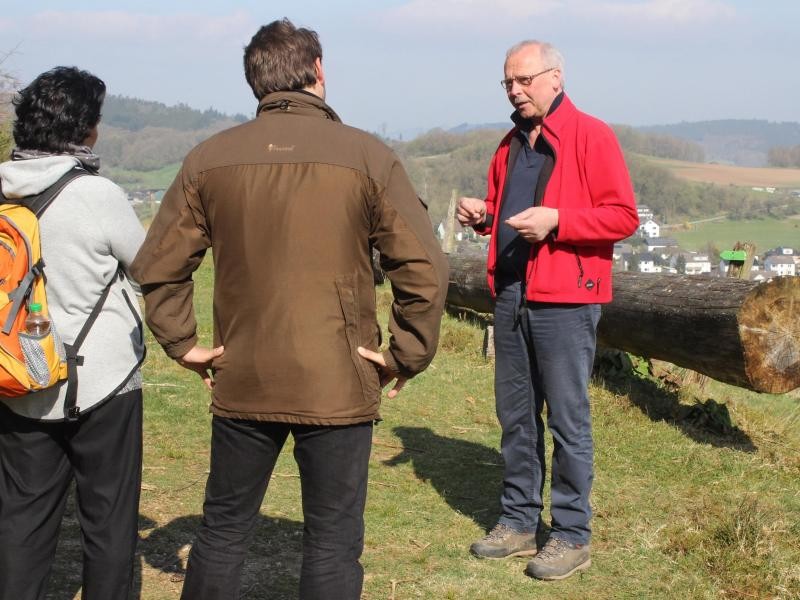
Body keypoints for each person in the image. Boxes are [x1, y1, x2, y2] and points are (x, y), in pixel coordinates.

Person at [130, 18, 448, 600]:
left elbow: (158, 264)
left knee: (223, 531)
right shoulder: (368, 155)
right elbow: (424, 266)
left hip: (243, 371)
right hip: (340, 377)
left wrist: (182, 342)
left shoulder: (208, 159)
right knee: (331, 541)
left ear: (256, 81)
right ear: (319, 72)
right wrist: (406, 353)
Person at [457, 40, 638, 581]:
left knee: (566, 419)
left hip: (567, 298)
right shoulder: (508, 144)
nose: (515, 91)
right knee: (515, 417)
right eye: (508, 83)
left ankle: (571, 533)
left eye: (524, 80)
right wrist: (486, 216)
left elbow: (622, 215)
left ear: (555, 76)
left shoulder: (591, 135)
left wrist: (559, 221)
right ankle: (517, 522)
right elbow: (511, 213)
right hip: (512, 294)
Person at [0, 67, 146, 599]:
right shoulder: (96, 194)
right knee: (107, 520)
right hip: (101, 381)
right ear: (83, 129)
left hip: (18, 378)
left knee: (22, 519)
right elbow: (149, 267)